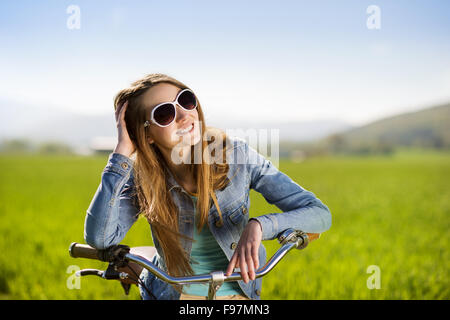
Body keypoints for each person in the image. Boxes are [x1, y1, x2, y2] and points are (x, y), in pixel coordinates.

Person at [84, 73, 332, 300]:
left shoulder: (237, 156)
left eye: (186, 100)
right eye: (164, 114)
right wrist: (121, 154)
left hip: (238, 292)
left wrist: (259, 226)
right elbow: (100, 238)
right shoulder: (143, 177)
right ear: (146, 134)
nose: (184, 116)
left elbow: (319, 213)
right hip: (170, 292)